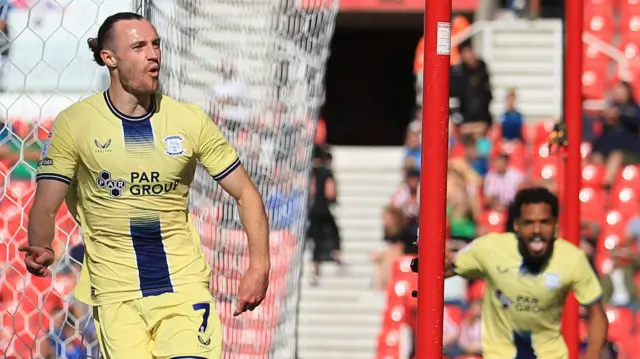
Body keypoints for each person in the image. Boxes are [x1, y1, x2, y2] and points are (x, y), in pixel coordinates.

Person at [20, 12, 270, 359]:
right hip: (115, 295)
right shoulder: (76, 124)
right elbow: (46, 204)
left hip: (183, 288)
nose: (153, 54)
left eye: (156, 45)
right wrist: (41, 244)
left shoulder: (189, 120)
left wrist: (259, 265)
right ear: (110, 58)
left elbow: (246, 192)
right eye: (139, 46)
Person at [445, 187, 608, 359]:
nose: (537, 230)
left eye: (544, 222)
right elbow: (445, 268)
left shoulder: (572, 259)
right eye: (529, 223)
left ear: (555, 224)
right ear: (517, 225)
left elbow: (597, 315)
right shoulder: (490, 248)